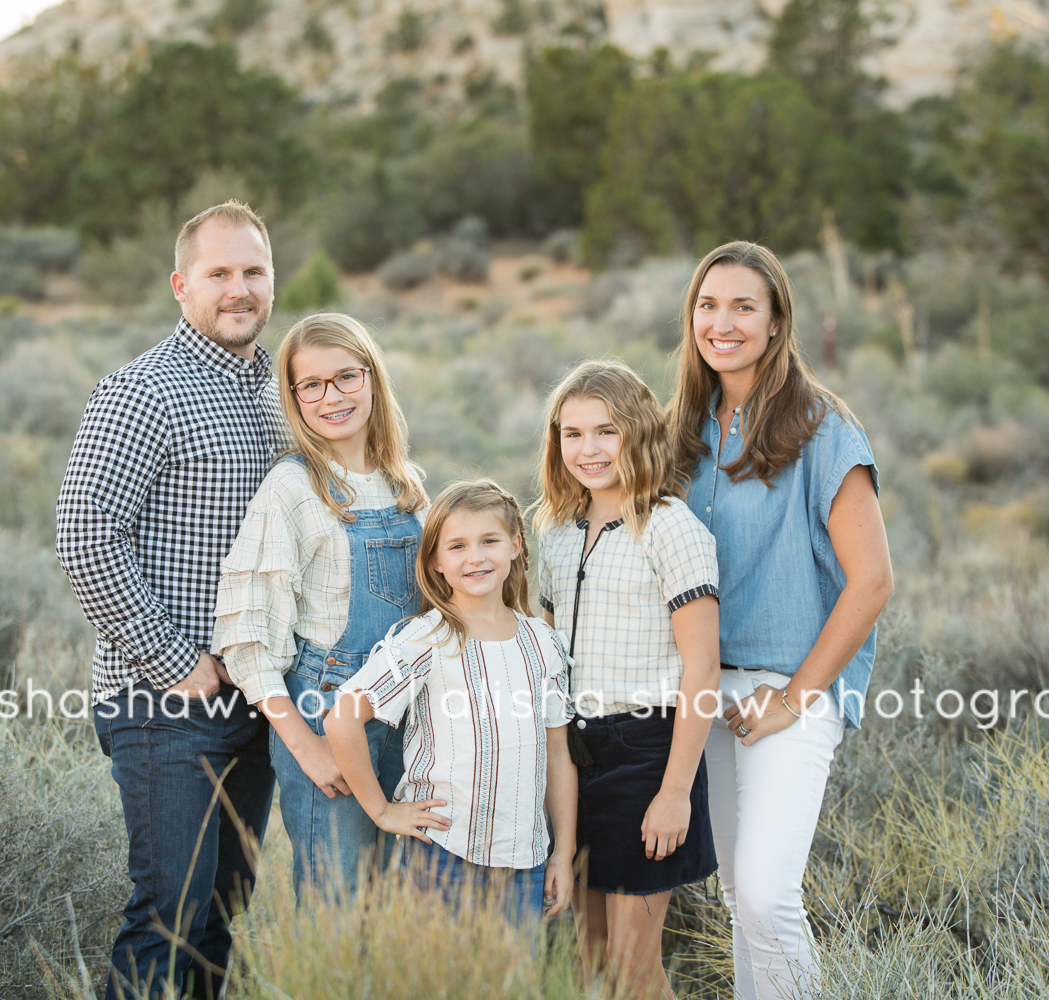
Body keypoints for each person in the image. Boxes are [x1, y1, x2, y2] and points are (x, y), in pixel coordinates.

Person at [55, 201, 284, 1000]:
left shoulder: (278, 393)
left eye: (253, 271)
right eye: (219, 273)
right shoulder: (143, 391)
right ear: (182, 286)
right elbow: (85, 534)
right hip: (164, 704)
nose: (239, 289)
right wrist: (174, 660)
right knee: (170, 915)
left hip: (254, 701)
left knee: (222, 914)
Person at [668, 241, 894, 1000]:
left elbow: (872, 581)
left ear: (775, 324)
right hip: (704, 692)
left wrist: (794, 697)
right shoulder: (682, 429)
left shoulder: (821, 427)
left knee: (768, 896)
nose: (721, 322)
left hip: (791, 691)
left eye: (743, 307)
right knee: (740, 901)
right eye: (708, 304)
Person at [213, 313, 428, 898]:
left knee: (397, 903)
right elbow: (246, 636)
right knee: (337, 903)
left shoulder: (404, 483)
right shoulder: (292, 486)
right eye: (312, 386)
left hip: (409, 715)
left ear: (373, 380)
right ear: (294, 397)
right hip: (323, 712)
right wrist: (305, 748)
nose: (332, 397)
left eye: (346, 377)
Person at [534, 359, 721, 1000]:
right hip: (573, 760)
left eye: (605, 432)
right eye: (572, 433)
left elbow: (702, 668)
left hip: (648, 757)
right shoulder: (555, 532)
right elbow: (550, 648)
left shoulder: (671, 528)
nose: (588, 450)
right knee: (591, 969)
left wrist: (676, 793)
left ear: (637, 432)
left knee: (634, 973)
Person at [325, 479, 578, 928]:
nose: (476, 557)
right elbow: (342, 718)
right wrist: (382, 811)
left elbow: (558, 755)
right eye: (457, 546)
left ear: (516, 545)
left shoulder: (543, 643)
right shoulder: (425, 638)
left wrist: (564, 852)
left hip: (525, 861)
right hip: (441, 856)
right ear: (436, 562)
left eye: (489, 541)